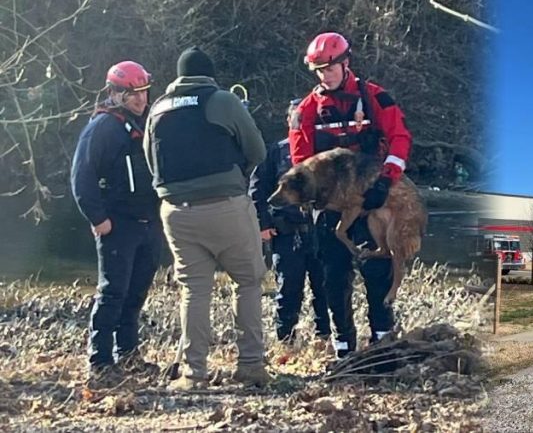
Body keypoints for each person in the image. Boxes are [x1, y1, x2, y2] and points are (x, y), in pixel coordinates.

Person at [143, 47, 269, 390]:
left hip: (175, 212)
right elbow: (257, 151)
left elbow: (151, 164)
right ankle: (250, 366)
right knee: (247, 281)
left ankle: (193, 373)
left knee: (194, 290)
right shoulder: (223, 101)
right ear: (209, 75)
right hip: (226, 205)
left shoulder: (158, 109)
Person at [289, 31, 412, 361]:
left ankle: (383, 337)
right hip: (330, 207)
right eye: (318, 70)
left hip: (372, 200)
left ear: (346, 64)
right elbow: (301, 161)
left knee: (378, 269)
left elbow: (399, 139)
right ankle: (344, 343)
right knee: (333, 274)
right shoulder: (306, 111)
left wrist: (386, 182)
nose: (324, 76)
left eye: (329, 68)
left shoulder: (375, 98)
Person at [71, 60, 163, 384]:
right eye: (133, 94)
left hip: (148, 223)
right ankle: (100, 360)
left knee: (136, 293)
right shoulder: (102, 128)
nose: (141, 99)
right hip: (118, 225)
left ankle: (129, 355)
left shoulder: (143, 123)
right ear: (116, 93)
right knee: (112, 293)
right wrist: (98, 219)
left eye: (144, 92)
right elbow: (81, 176)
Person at [250, 99, 331, 346]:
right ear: (288, 121)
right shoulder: (274, 152)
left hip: (321, 232)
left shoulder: (324, 153)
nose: (300, 122)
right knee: (288, 290)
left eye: (305, 118)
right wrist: (262, 225)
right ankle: (286, 341)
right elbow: (257, 191)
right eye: (296, 118)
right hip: (287, 233)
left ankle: (325, 339)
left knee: (326, 288)